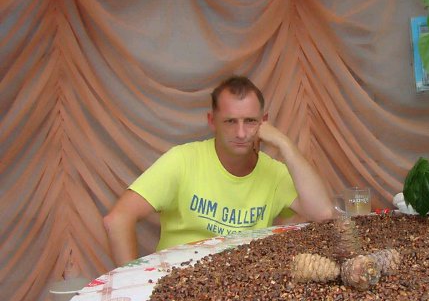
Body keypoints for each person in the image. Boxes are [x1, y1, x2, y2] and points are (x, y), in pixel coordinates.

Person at [103, 76, 333, 266]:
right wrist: (132, 283)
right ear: (212, 121)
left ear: (264, 122)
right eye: (230, 121)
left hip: (243, 286)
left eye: (250, 121)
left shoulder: (274, 172)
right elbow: (117, 219)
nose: (241, 133)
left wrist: (285, 144)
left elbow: (323, 214)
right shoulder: (181, 160)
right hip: (177, 283)